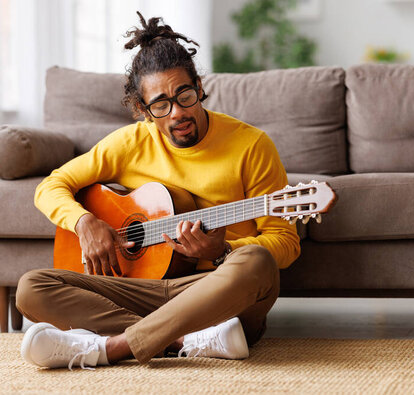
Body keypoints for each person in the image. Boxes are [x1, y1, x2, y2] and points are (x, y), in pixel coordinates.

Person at [16, 12, 300, 370]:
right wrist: (84, 222)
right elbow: (51, 185)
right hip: (145, 293)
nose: (178, 112)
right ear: (142, 109)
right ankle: (183, 341)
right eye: (161, 105)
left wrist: (222, 251)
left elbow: (286, 243)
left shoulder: (251, 145)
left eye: (185, 95)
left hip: (212, 291)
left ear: (198, 86)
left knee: (256, 263)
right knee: (31, 287)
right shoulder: (129, 143)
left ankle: (109, 347)